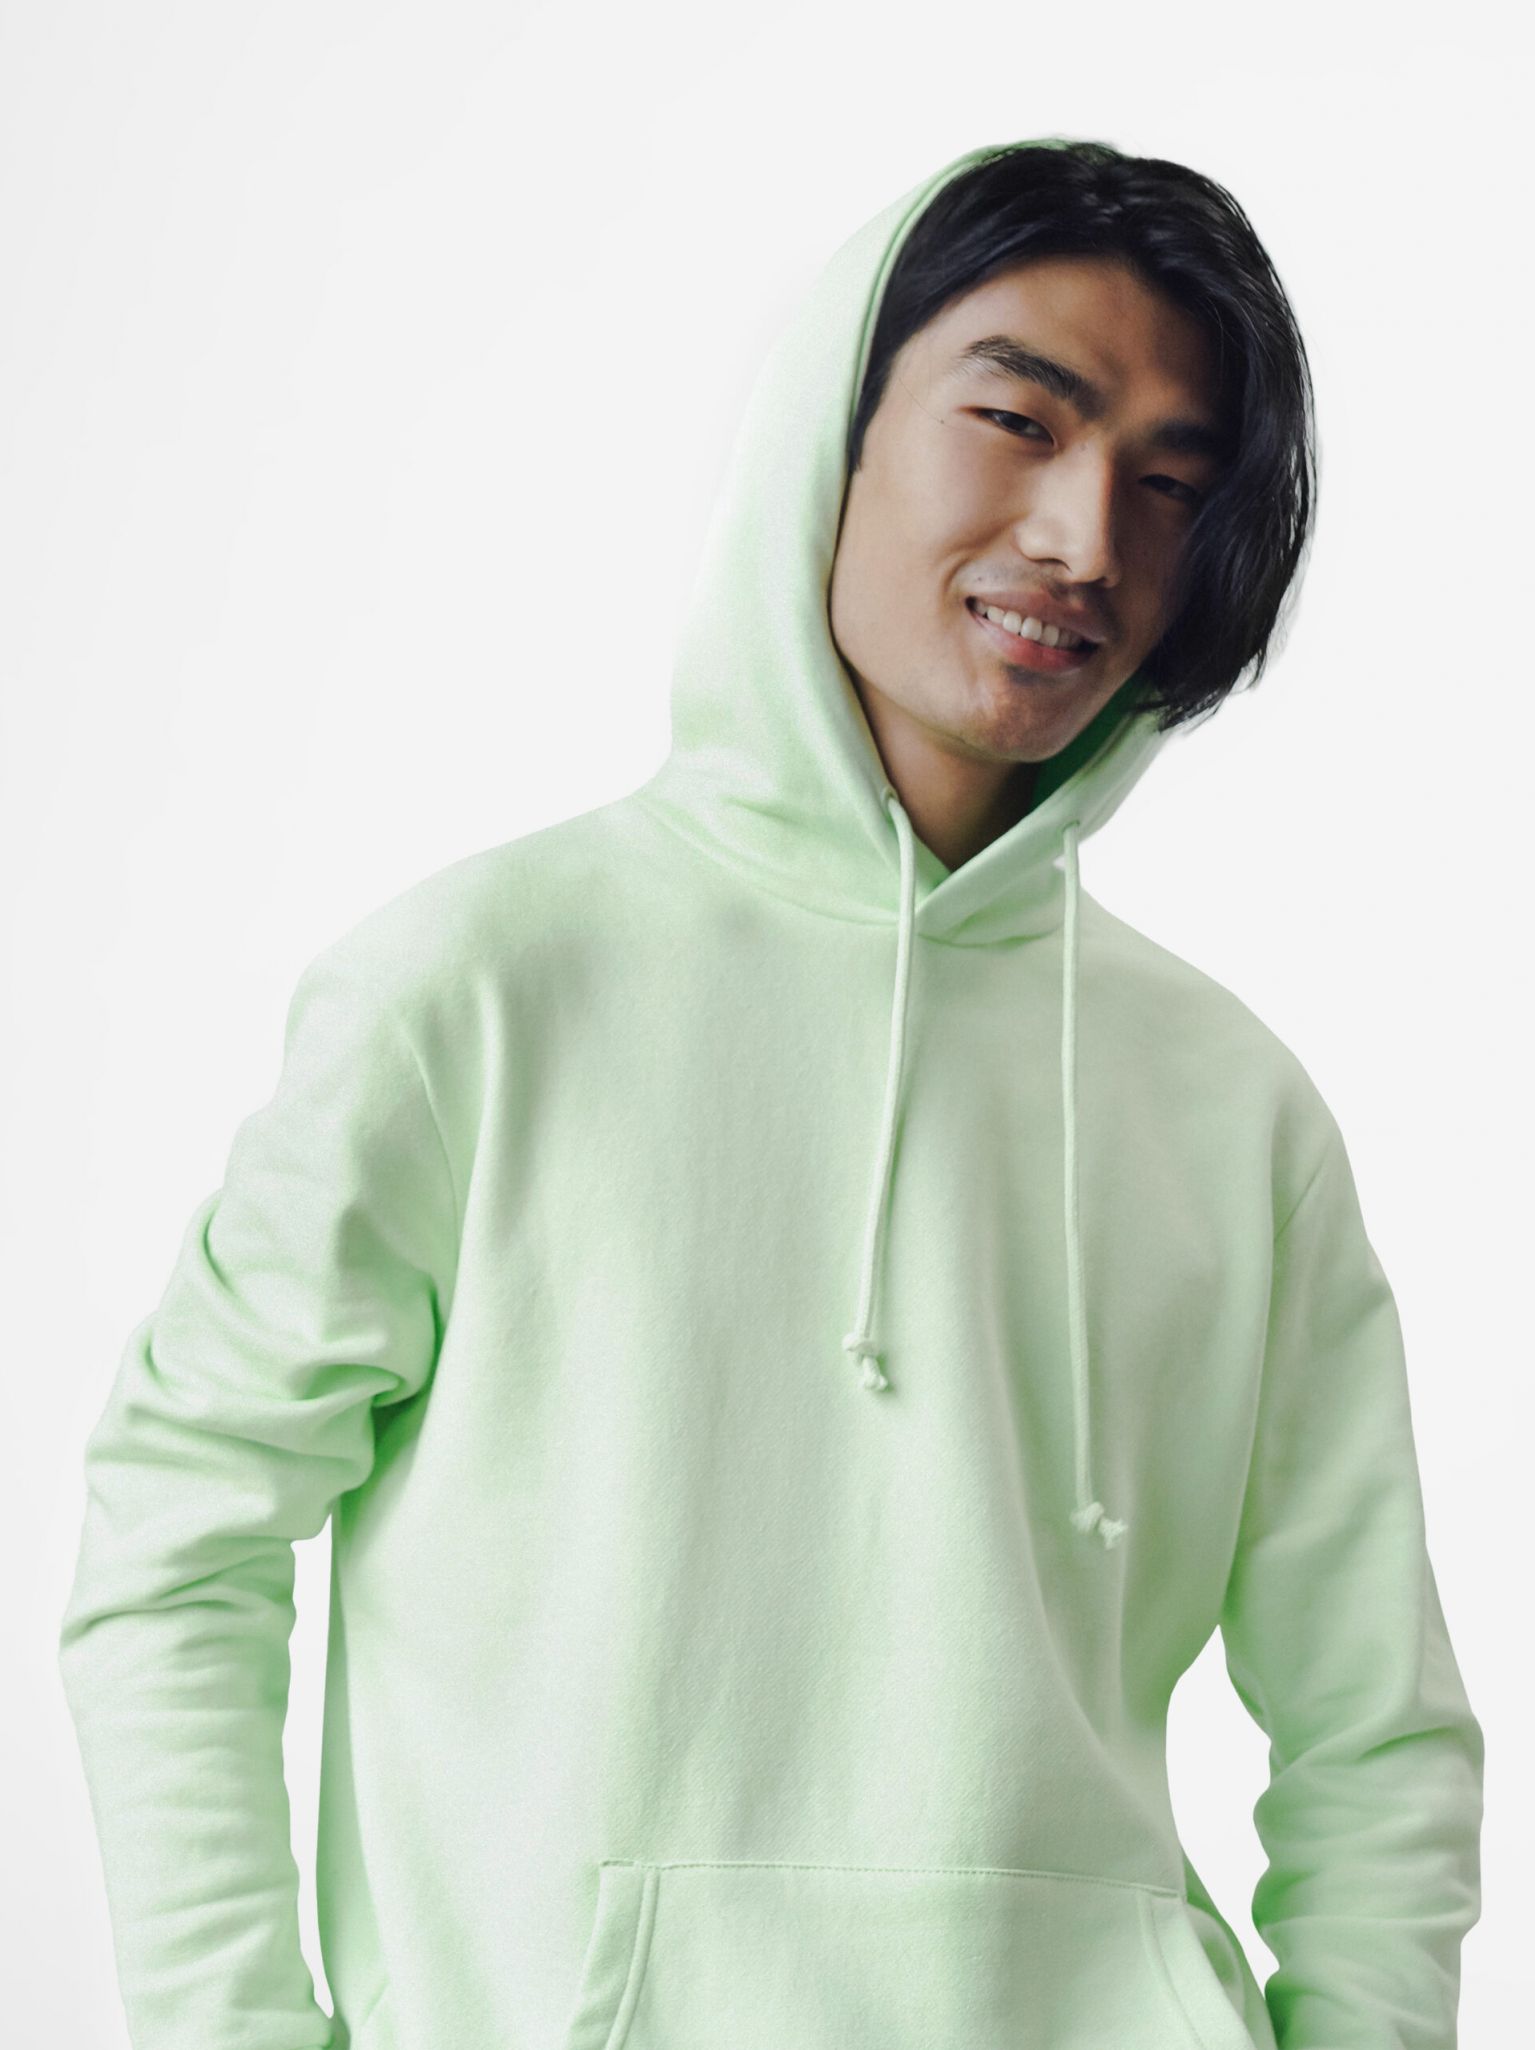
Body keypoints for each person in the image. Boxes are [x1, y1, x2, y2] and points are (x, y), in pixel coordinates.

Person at [58, 135, 1484, 2050]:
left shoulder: (1236, 1111)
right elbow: (178, 1536)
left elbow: (1376, 1731)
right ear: (838, 427)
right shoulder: (477, 989)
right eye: (1018, 420)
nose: (1086, 540)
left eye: (1169, 483)